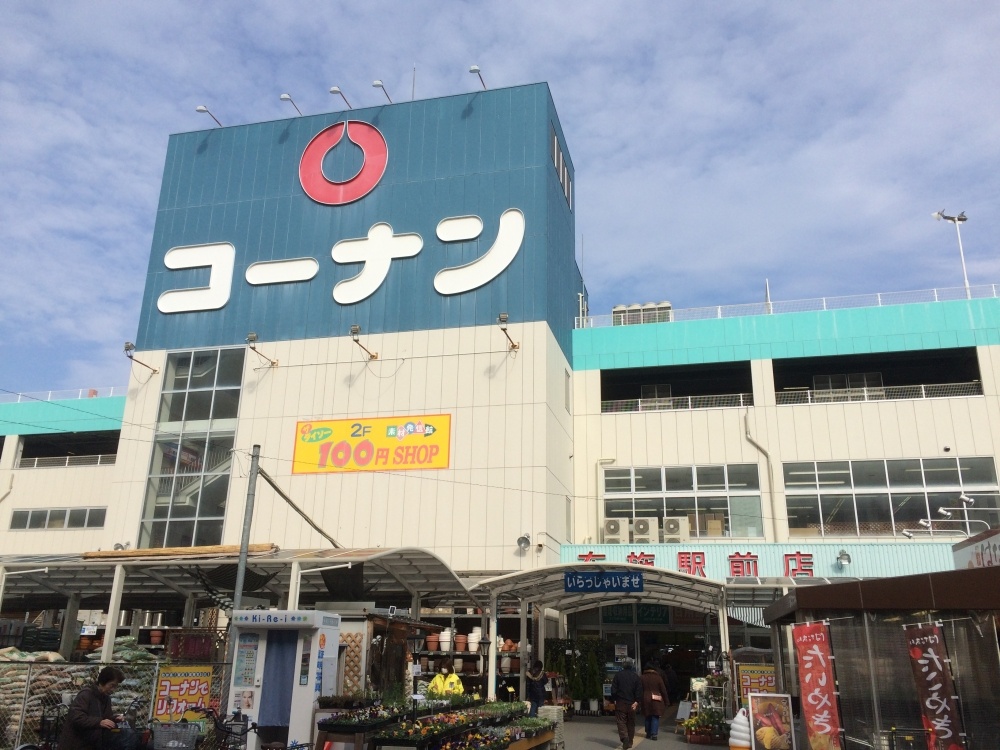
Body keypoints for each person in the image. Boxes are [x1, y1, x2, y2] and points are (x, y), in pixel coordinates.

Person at [59, 666, 126, 750]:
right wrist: (99, 722)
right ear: (102, 682)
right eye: (111, 685)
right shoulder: (86, 695)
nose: (113, 689)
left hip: (91, 744)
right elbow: (77, 718)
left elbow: (105, 718)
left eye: (115, 687)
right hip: (76, 744)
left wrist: (115, 719)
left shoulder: (106, 698)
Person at [610, 657, 643, 750]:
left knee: (621, 721)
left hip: (621, 702)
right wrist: (637, 701)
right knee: (631, 723)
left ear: (623, 665)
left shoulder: (618, 676)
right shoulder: (636, 677)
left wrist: (615, 699)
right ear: (632, 665)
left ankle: (624, 737)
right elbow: (639, 691)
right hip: (632, 703)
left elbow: (613, 690)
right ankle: (630, 742)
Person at [639, 661, 669, 741]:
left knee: (647, 716)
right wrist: (666, 701)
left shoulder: (642, 677)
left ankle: (648, 733)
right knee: (655, 716)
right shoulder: (658, 677)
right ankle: (654, 734)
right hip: (656, 699)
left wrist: (638, 700)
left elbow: (639, 690)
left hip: (645, 698)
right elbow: (663, 690)